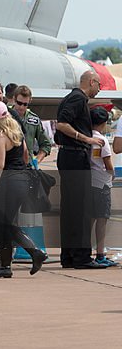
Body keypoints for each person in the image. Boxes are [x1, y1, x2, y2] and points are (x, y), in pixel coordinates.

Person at [0, 100, 48, 278]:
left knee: (4, 224)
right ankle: (5, 266)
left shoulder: (1, 137)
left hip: (7, 182)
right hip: (21, 179)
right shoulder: (17, 133)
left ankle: (34, 252)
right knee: (5, 224)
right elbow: (26, 156)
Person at [54, 71, 108, 269]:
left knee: (71, 209)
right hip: (75, 156)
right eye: (99, 84)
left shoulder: (73, 98)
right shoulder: (78, 99)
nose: (100, 88)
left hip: (69, 156)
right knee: (82, 208)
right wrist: (86, 139)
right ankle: (81, 257)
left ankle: (69, 256)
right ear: (91, 82)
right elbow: (61, 124)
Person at [88, 107, 116, 267]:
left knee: (90, 218)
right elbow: (108, 163)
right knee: (102, 219)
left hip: (90, 182)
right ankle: (100, 252)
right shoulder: (102, 141)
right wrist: (113, 175)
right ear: (104, 123)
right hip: (102, 183)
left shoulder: (87, 138)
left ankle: (85, 249)